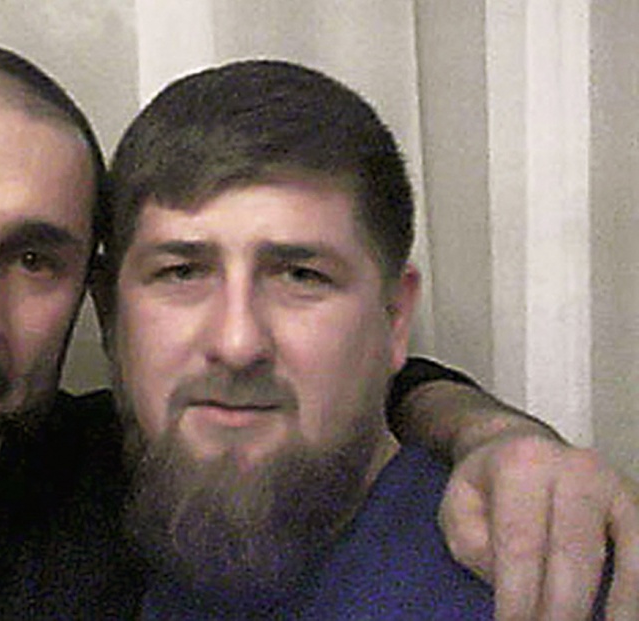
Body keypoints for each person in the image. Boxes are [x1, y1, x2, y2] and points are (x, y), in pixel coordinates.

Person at [0, 42, 634, 619]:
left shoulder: (120, 473)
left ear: (89, 295)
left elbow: (324, 388)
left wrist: (492, 437)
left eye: (34, 257)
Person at [91, 58, 627, 618]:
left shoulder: (533, 582)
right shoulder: (70, 511)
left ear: (395, 317)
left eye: (302, 276)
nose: (237, 342)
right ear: (109, 313)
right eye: (181, 272)